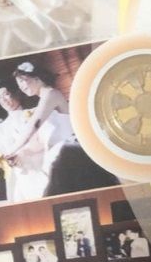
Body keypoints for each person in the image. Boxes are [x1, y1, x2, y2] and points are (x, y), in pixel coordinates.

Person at [7, 61, 120, 196]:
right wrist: (21, 153)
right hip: (55, 154)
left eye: (22, 81)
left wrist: (11, 150)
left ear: (36, 77)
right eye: (18, 84)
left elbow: (34, 125)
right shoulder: (43, 100)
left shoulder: (51, 94)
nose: (21, 87)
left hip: (69, 153)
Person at [0, 77, 49, 202]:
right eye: (0, 97)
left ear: (17, 93)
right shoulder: (1, 127)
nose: (3, 100)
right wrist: (0, 160)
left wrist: (23, 153)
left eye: (6, 94)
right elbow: (0, 152)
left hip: (41, 169)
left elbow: (45, 140)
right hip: (20, 176)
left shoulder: (35, 113)